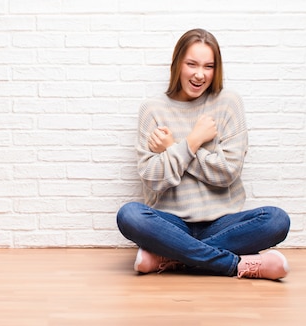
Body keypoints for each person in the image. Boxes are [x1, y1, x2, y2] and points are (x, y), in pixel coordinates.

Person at [116, 28, 291, 280]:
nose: (200, 74)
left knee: (276, 220)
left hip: (222, 223)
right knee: (130, 215)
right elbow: (153, 179)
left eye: (208, 66)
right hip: (170, 223)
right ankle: (235, 264)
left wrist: (172, 146)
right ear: (177, 64)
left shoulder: (228, 103)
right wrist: (194, 140)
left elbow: (227, 172)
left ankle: (172, 257)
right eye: (192, 64)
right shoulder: (152, 109)